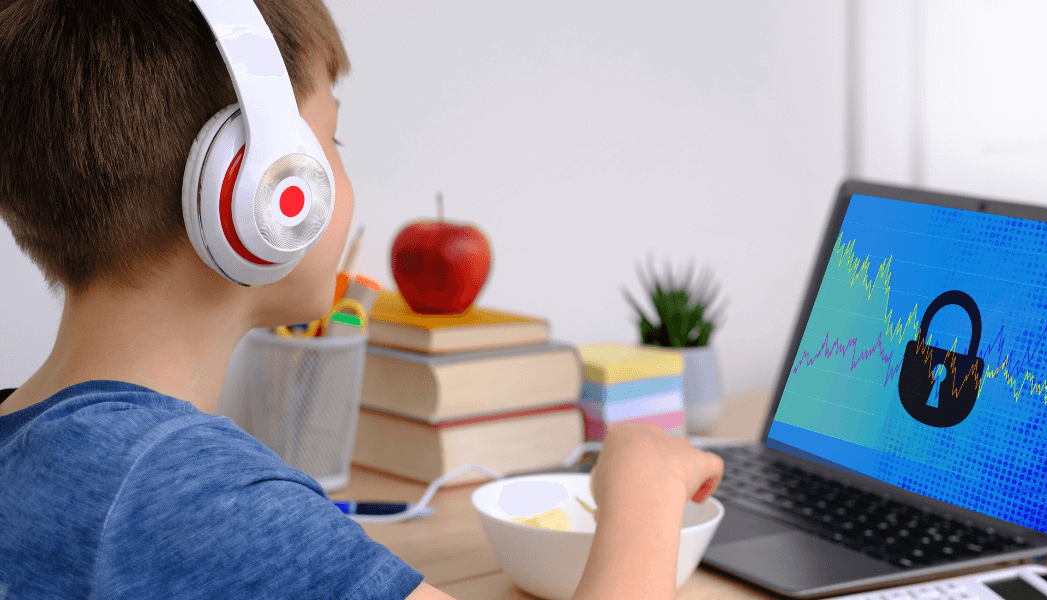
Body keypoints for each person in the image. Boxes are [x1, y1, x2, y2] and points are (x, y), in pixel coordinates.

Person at [0, 1, 723, 599]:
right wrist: (647, 489)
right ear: (258, 194)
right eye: (330, 138)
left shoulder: (50, 455)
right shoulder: (184, 497)